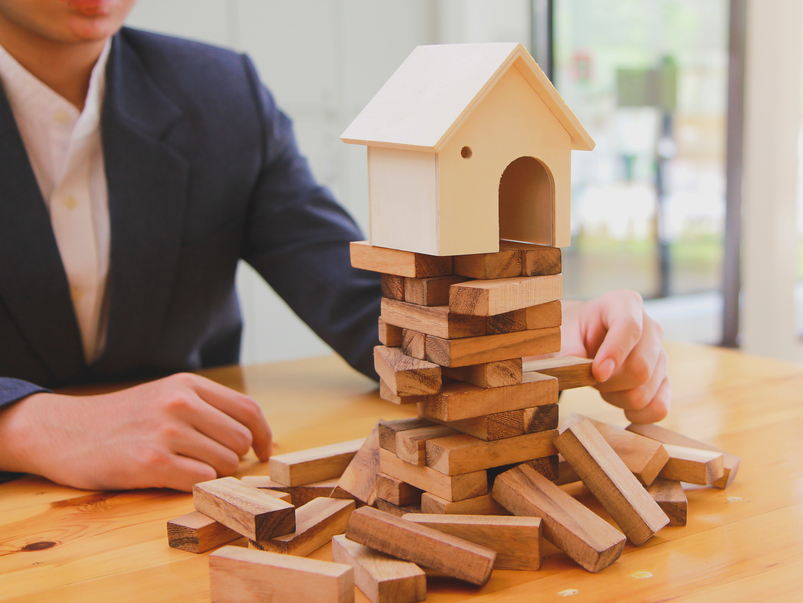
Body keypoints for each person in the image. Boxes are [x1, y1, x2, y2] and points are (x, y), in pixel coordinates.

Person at [0, 0, 671, 492]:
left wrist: (540, 324)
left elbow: (362, 298)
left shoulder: (220, 93)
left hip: (190, 493)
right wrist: (31, 424)